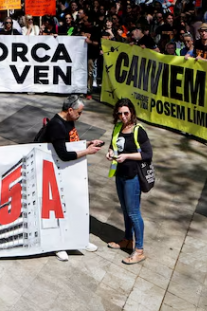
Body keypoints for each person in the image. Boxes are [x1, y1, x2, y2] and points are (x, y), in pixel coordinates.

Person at [36, 96, 104, 261]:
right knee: (57, 210)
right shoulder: (56, 126)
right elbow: (64, 154)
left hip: (67, 172)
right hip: (54, 172)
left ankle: (79, 240)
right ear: (70, 110)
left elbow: (70, 143)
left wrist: (86, 144)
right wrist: (87, 152)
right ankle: (58, 245)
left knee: (75, 206)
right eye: (79, 113)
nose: (80, 116)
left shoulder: (68, 121)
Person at [106, 97, 152, 265]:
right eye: (120, 114)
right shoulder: (118, 127)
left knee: (134, 212)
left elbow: (147, 154)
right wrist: (110, 152)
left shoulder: (139, 130)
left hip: (133, 176)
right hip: (120, 174)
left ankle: (139, 250)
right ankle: (127, 240)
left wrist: (127, 156)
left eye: (126, 113)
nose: (123, 117)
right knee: (125, 210)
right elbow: (113, 146)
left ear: (131, 112)